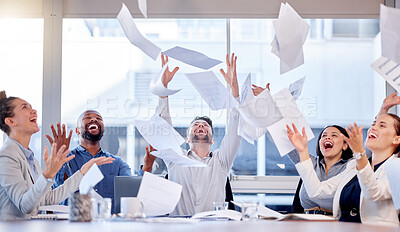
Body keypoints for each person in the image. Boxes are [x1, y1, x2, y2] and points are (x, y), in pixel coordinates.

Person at [141, 54, 242, 216]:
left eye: (205, 126)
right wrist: (163, 88)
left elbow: (235, 131)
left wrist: (234, 92)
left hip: (213, 228)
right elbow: (164, 127)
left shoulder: (221, 161)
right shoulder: (175, 157)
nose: (201, 126)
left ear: (212, 139)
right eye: (196, 125)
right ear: (187, 139)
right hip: (179, 227)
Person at [0, 91, 113, 219]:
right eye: (24, 107)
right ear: (10, 121)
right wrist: (48, 174)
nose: (34, 111)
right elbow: (25, 205)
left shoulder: (29, 157)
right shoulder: (6, 156)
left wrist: (82, 172)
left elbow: (47, 198)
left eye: (31, 106)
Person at [250, 84, 353, 215]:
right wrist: (267, 102)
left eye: (334, 135)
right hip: (305, 222)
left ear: (345, 145)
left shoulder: (350, 167)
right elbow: (281, 138)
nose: (327, 138)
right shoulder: (309, 162)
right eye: (324, 136)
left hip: (335, 222)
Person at [287, 114, 400, 226]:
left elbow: (374, 193)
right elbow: (316, 191)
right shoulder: (353, 166)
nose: (373, 128)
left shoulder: (396, 166)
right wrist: (303, 151)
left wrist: (360, 154)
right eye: (373, 124)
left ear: (397, 139)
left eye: (382, 126)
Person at [49, 110, 132, 214]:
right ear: (77, 130)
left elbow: (131, 193)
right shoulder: (66, 159)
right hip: (72, 224)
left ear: (103, 132)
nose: (94, 119)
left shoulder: (118, 164)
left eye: (99, 118)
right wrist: (60, 161)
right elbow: (57, 192)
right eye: (87, 118)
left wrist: (146, 169)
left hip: (107, 225)